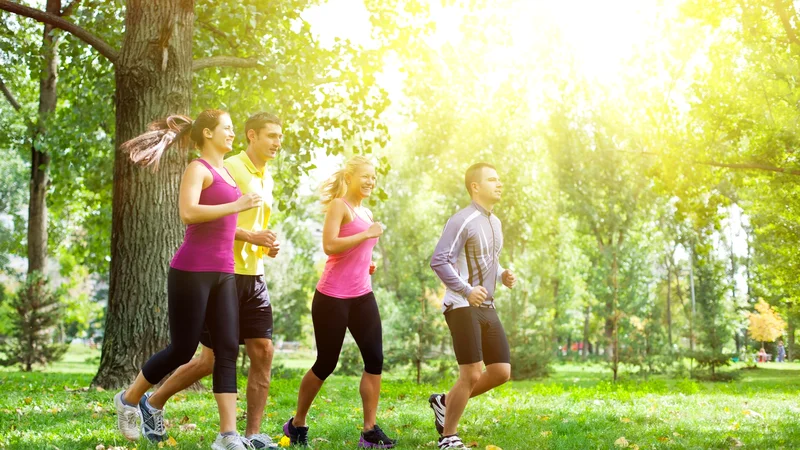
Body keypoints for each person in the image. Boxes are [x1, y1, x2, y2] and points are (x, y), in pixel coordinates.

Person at [132, 113, 284, 449]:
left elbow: (234, 224)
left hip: (240, 272)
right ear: (251, 135)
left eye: (280, 136)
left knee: (245, 350)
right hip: (200, 270)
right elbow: (192, 214)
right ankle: (139, 400)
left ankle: (237, 435)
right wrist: (240, 213)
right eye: (271, 135)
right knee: (194, 352)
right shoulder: (216, 168)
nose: (277, 142)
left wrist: (261, 242)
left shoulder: (252, 176)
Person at [282, 156, 396, 448]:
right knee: (326, 362)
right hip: (332, 297)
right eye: (365, 176)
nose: (370, 181)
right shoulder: (339, 206)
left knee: (375, 359)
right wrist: (365, 235)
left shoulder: (367, 213)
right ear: (351, 177)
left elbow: (355, 252)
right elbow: (329, 245)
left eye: (374, 177)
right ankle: (297, 423)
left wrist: (366, 264)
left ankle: (369, 431)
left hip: (362, 295)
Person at [428, 163, 517, 450]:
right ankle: (448, 437)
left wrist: (502, 274)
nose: (499, 183)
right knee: (471, 373)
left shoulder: (495, 222)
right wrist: (466, 290)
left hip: (486, 304)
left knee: (501, 371)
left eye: (499, 178)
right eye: (492, 179)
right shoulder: (461, 220)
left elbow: (489, 259)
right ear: (475, 186)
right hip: (461, 304)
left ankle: (444, 402)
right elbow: (439, 260)